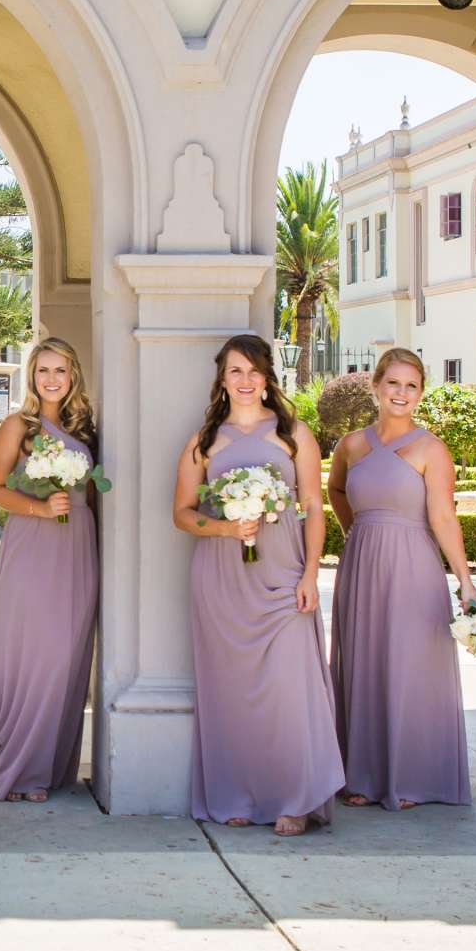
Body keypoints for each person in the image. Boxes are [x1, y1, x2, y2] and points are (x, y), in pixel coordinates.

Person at [171, 333, 342, 834]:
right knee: (234, 693)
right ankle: (237, 793)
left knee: (291, 691)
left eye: (253, 371)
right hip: (221, 581)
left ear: (267, 377)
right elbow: (181, 514)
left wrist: (311, 573)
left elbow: (313, 507)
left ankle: (296, 799)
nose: (244, 381)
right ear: (222, 381)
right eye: (234, 372)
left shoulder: (293, 435)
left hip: (284, 575)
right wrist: (227, 527)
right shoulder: (204, 441)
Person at [325, 346, 476, 810]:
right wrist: (356, 529)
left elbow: (444, 517)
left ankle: (410, 778)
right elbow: (335, 489)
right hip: (361, 564)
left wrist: (466, 581)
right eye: (393, 383)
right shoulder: (351, 444)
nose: (401, 393)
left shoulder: (432, 448)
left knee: (408, 666)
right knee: (364, 662)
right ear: (375, 387)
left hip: (412, 565)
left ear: (420, 394)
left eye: (411, 386)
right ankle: (363, 776)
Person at [0, 336, 100, 802]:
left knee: (65, 655)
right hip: (32, 544)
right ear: (32, 376)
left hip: (78, 547)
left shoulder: (86, 433)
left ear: (73, 374)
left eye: (60, 370)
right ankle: (20, 769)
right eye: (43, 370)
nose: (51, 379)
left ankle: (45, 761)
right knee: (33, 654)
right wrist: (39, 509)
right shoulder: (17, 427)